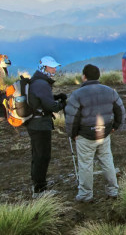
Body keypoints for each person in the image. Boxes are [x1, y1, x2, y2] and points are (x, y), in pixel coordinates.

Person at [64, 64, 125, 202]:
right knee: (107, 161)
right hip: (104, 133)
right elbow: (120, 110)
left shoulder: (77, 95)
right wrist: (115, 126)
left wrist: (72, 134)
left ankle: (86, 195)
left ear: (84, 76)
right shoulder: (110, 91)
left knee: (85, 165)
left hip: (85, 135)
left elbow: (72, 117)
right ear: (98, 76)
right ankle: (113, 190)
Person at [27, 56, 67, 198]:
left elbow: (41, 100)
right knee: (43, 156)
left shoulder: (37, 81)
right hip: (40, 125)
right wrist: (62, 103)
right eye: (52, 67)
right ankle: (40, 190)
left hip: (34, 123)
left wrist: (55, 97)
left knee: (37, 154)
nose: (55, 69)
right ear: (44, 68)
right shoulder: (42, 84)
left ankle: (37, 185)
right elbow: (51, 106)